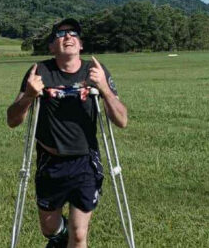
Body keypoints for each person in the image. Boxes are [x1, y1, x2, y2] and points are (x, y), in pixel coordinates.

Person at [7, 18, 128, 248]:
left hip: (85, 161)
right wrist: (29, 95)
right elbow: (12, 120)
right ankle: (59, 236)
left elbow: (121, 120)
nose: (68, 37)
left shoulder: (95, 71)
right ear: (52, 46)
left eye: (73, 33)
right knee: (49, 229)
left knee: (79, 234)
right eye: (61, 34)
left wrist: (103, 87)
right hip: (50, 161)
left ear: (81, 45)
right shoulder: (39, 71)